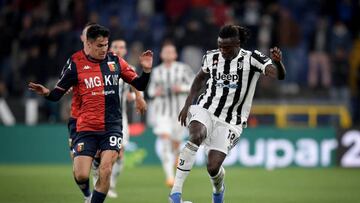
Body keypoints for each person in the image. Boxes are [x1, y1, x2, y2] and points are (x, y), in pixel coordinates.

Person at [29, 24, 153, 203]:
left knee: (106, 170)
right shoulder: (75, 64)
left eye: (106, 45)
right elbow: (57, 95)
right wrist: (47, 93)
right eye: (99, 46)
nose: (104, 49)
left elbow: (139, 85)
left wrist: (147, 70)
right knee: (80, 175)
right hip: (86, 127)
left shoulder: (115, 61)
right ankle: (88, 193)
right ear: (88, 43)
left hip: (112, 126)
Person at [168, 25, 286, 203]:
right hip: (206, 108)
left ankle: (218, 191)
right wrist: (187, 104)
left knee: (213, 166)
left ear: (237, 44)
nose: (222, 50)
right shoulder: (211, 56)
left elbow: (279, 75)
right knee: (195, 135)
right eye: (220, 45)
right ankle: (175, 194)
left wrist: (277, 62)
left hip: (231, 121)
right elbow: (199, 78)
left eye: (226, 47)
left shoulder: (252, 58)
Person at [92, 39, 148, 198]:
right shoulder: (101, 66)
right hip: (99, 116)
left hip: (119, 117)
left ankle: (110, 183)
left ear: (125, 50)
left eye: (122, 47)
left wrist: (136, 98)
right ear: (110, 48)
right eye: (115, 46)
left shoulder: (129, 68)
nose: (119, 49)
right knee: (99, 152)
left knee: (120, 153)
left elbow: (138, 88)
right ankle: (99, 180)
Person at [147, 42, 194, 188]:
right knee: (165, 139)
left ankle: (176, 152)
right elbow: (150, 92)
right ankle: (169, 177)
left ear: (175, 54)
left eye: (170, 52)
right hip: (162, 112)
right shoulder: (156, 71)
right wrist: (156, 92)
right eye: (165, 52)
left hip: (179, 113)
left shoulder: (183, 69)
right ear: (161, 55)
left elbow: (194, 86)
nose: (168, 54)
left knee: (175, 143)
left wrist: (181, 88)